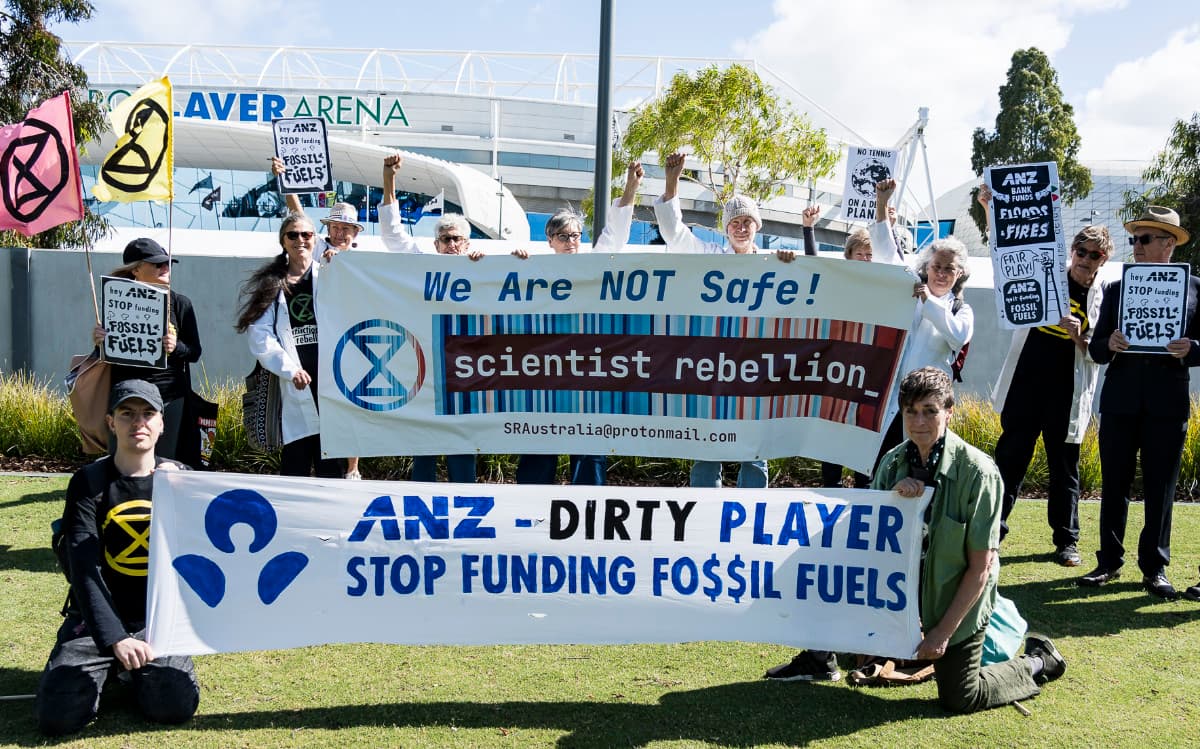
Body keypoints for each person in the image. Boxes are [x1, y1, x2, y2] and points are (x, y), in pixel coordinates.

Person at [765, 369, 1066, 712]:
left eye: (929, 410)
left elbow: (981, 569)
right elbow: (863, 545)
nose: (919, 421)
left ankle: (1038, 661)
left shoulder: (978, 473)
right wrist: (892, 503)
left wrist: (941, 634)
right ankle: (819, 657)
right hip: (901, 597)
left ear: (949, 411)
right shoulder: (892, 464)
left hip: (955, 599)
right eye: (910, 411)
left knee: (960, 696)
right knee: (825, 567)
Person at [34, 380, 200, 735]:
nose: (137, 422)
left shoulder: (183, 479)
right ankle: (116, 665)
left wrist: (184, 491)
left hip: (156, 619)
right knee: (57, 714)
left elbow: (205, 549)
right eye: (127, 414)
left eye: (147, 414)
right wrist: (114, 638)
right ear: (111, 422)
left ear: (161, 424)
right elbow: (84, 568)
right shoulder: (88, 482)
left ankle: (130, 672)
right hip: (95, 621)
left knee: (173, 705)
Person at [652, 152, 796, 488]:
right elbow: (674, 234)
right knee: (708, 443)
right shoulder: (710, 258)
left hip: (757, 367)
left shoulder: (774, 264)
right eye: (735, 223)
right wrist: (673, 181)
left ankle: (751, 515)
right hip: (713, 365)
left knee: (754, 446)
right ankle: (704, 513)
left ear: (757, 226)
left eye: (747, 222)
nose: (742, 228)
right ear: (726, 229)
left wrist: (792, 263)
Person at [987, 182, 1111, 566]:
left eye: (1095, 254)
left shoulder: (1106, 297)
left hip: (1067, 388)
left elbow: (1103, 352)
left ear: (1103, 259)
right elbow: (1007, 255)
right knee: (1010, 458)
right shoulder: (1046, 274)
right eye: (1081, 251)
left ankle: (1066, 540)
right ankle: (992, 533)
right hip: (1027, 380)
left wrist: (1081, 338)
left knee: (1064, 468)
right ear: (1071, 251)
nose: (1086, 259)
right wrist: (993, 210)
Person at [1079, 206, 1199, 599]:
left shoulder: (1194, 288)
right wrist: (1107, 343)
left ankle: (1155, 567)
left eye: (1145, 239)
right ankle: (1108, 562)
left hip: (1167, 402)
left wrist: (1192, 348)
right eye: (1134, 240)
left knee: (1161, 487)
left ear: (1169, 243)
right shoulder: (1115, 288)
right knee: (1113, 484)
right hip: (1120, 400)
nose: (1137, 247)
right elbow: (1095, 349)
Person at [509, 161, 644, 485]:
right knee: (541, 444)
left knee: (588, 444)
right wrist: (514, 263)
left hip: (586, 370)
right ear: (550, 240)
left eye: (576, 235)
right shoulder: (532, 268)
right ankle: (530, 509)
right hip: (544, 371)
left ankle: (588, 512)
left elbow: (617, 233)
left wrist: (631, 187)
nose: (571, 241)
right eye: (563, 236)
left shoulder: (593, 265)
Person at [271, 157, 369, 478]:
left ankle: (351, 470)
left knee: (352, 406)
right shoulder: (314, 249)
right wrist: (286, 182)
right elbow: (298, 216)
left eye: (346, 228)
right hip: (314, 346)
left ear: (355, 232)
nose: (339, 233)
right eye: (335, 227)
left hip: (351, 342)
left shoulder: (363, 260)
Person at [869, 178, 974, 467]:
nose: (941, 274)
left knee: (922, 467)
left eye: (948, 269)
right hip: (891, 397)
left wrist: (928, 301)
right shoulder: (909, 289)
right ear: (927, 266)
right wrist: (882, 204)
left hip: (927, 404)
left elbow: (957, 336)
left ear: (959, 273)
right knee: (881, 466)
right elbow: (885, 253)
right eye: (936, 267)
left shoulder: (960, 310)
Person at [235, 213, 347, 479]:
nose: (300, 240)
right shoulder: (273, 284)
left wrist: (341, 264)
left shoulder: (330, 274)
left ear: (315, 239)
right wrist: (289, 369)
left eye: (306, 235)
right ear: (283, 241)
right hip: (294, 385)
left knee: (332, 465)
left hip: (331, 380)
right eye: (293, 235)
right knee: (295, 463)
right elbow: (260, 336)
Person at [91, 238, 202, 461]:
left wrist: (175, 347)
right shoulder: (116, 301)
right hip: (125, 393)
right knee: (123, 460)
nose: (165, 268)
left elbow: (195, 352)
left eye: (167, 263)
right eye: (157, 263)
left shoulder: (181, 304)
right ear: (136, 270)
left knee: (166, 462)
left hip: (169, 396)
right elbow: (111, 354)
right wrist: (99, 342)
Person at [410, 211, 483, 484]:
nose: (452, 245)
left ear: (467, 243)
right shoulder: (420, 271)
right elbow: (393, 237)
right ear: (436, 245)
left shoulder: (482, 270)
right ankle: (420, 499)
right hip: (427, 367)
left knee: (462, 442)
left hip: (467, 368)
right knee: (424, 445)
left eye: (457, 239)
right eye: (446, 239)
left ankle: (465, 498)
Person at [804, 209, 875, 488]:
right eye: (861, 254)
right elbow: (815, 268)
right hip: (837, 367)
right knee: (833, 428)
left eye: (870, 254)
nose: (866, 259)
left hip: (869, 368)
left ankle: (863, 487)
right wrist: (808, 229)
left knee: (862, 429)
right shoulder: (840, 278)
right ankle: (830, 485)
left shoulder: (883, 283)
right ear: (849, 255)